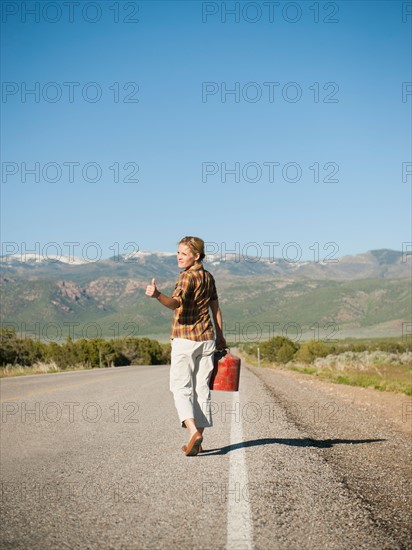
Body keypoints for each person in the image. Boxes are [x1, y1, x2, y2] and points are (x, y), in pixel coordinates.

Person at [145, 236, 226, 456]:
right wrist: (220, 336)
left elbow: (175, 304)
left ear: (196, 256)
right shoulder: (209, 277)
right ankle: (197, 439)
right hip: (207, 339)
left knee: (180, 388)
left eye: (183, 253)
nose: (178, 257)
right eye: (178, 252)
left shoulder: (186, 278)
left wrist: (157, 295)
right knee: (202, 390)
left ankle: (193, 433)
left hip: (185, 339)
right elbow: (215, 309)